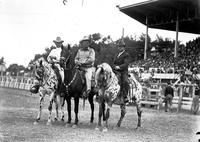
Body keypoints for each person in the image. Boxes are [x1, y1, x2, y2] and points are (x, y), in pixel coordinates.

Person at [113, 38, 130, 103]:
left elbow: (126, 64)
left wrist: (119, 67)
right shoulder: (116, 54)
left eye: (121, 46)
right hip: (115, 70)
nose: (119, 48)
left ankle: (125, 96)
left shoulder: (126, 54)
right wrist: (114, 66)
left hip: (123, 71)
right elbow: (113, 62)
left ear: (123, 47)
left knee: (125, 81)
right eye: (118, 46)